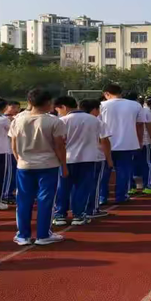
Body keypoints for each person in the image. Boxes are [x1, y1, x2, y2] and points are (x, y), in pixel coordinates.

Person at [9, 89, 68, 245]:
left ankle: (23, 235)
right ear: (49, 103)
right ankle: (43, 235)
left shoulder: (18, 120)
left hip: (24, 165)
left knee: (23, 200)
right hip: (48, 165)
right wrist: (64, 165)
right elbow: (59, 146)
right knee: (46, 200)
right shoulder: (54, 121)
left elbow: (13, 144)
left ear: (29, 102)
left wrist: (19, 159)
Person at [53, 96, 110, 226]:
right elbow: (103, 140)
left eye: (58, 109)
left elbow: (58, 142)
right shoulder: (95, 120)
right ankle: (78, 215)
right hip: (88, 158)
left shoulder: (62, 121)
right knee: (82, 188)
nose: (58, 112)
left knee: (63, 187)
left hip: (66, 158)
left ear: (64, 107)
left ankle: (60, 214)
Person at [99, 84, 144, 204]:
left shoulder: (102, 105)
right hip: (127, 143)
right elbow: (140, 125)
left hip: (106, 143)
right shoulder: (135, 105)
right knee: (124, 171)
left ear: (106, 94)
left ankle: (102, 197)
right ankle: (121, 195)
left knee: (104, 172)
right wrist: (140, 141)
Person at [78, 98, 115, 217]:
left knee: (77, 185)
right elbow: (104, 140)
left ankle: (76, 211)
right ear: (94, 109)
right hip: (94, 157)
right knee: (94, 184)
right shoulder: (97, 122)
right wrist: (109, 159)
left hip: (73, 157)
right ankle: (92, 209)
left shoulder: (67, 120)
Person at [135, 96, 151, 195]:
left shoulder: (124, 112)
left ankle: (131, 187)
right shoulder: (145, 111)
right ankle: (148, 186)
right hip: (144, 142)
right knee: (148, 163)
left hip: (129, 143)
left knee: (131, 165)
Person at [1, 101, 21, 205]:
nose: (15, 109)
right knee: (10, 174)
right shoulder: (3, 119)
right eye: (12, 107)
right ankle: (6, 194)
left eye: (17, 107)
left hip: (14, 149)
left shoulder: (17, 118)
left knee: (14, 173)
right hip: (8, 150)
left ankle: (9, 193)